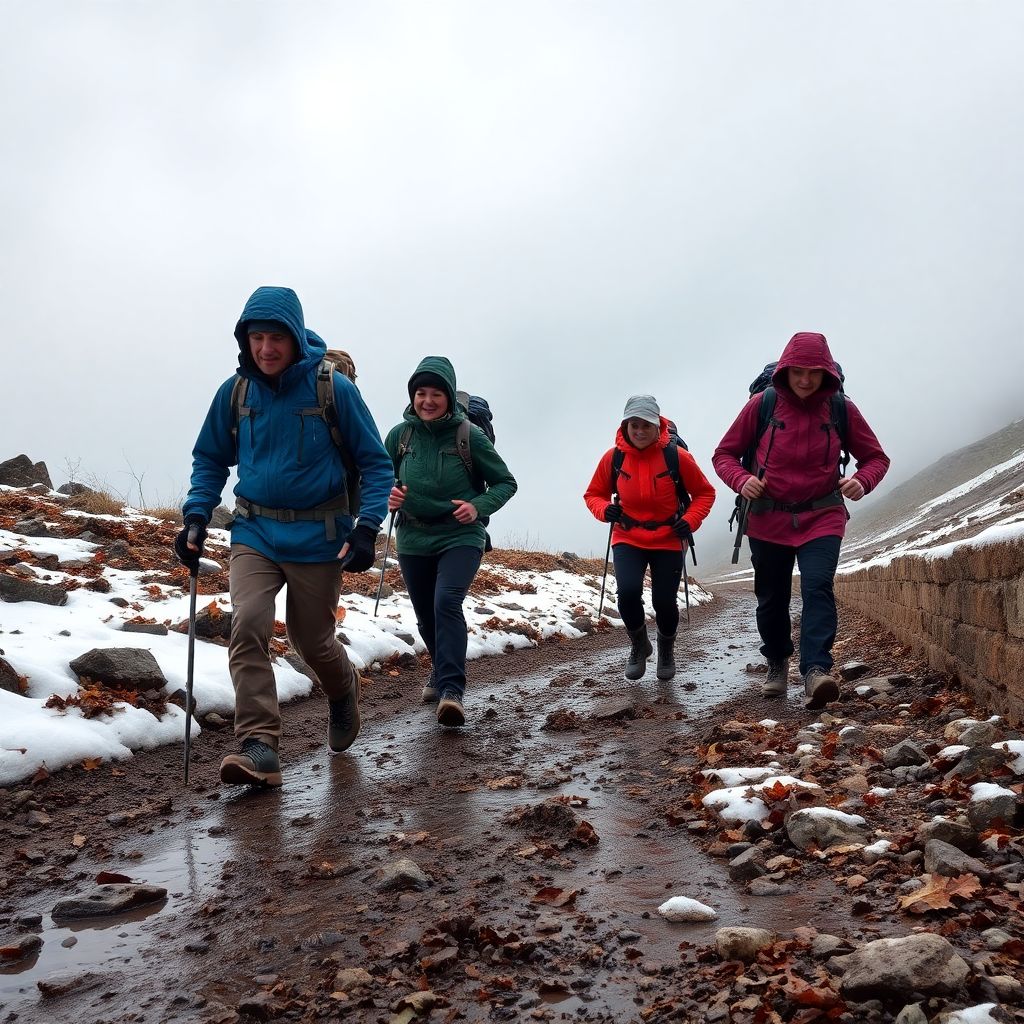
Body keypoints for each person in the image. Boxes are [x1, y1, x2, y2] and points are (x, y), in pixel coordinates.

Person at [174, 286, 393, 787]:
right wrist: (195, 515)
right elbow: (209, 458)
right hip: (254, 530)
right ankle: (259, 745)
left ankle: (342, 691)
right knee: (247, 624)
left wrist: (366, 529)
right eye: (257, 338)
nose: (266, 349)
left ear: (295, 338)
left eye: (276, 338)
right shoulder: (235, 392)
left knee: (311, 640)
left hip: (320, 535)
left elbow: (375, 464)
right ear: (244, 340)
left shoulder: (332, 389)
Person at [713, 331, 890, 708]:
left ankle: (816, 671)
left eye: (813, 372)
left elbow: (876, 458)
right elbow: (724, 454)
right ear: (785, 371)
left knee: (817, 587)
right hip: (767, 517)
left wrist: (862, 481)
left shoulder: (842, 408)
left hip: (821, 515)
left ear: (827, 373)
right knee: (772, 598)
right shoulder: (763, 404)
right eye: (797, 372)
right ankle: (777, 661)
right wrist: (742, 480)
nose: (806, 380)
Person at [383, 356, 517, 727]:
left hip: (460, 534)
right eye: (420, 393)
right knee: (426, 616)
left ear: (448, 396)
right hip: (412, 536)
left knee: (446, 602)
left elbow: (506, 482)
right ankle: (441, 670)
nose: (427, 400)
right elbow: (379, 477)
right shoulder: (400, 436)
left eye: (436, 393)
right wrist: (389, 496)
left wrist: (478, 506)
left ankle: (452, 691)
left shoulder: (468, 435)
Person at [584, 396, 716, 681]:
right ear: (625, 426)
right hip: (627, 535)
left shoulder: (677, 457)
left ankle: (666, 649)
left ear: (658, 426)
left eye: (646, 425)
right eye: (634, 425)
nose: (640, 431)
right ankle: (639, 645)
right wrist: (604, 509)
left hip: (669, 537)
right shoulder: (613, 457)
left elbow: (705, 493)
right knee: (628, 592)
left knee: (664, 601)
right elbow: (593, 494)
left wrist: (691, 520)